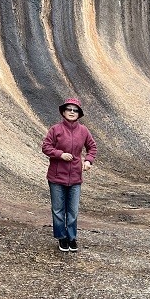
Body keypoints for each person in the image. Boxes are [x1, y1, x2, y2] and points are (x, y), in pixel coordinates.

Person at [41, 98, 97, 252]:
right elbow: (46, 147)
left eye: (75, 110)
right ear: (63, 112)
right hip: (56, 177)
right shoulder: (55, 129)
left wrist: (88, 161)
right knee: (58, 210)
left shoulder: (84, 131)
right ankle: (62, 238)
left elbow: (92, 147)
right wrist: (60, 154)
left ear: (79, 114)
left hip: (75, 178)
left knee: (72, 210)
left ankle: (72, 237)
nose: (72, 112)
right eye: (69, 109)